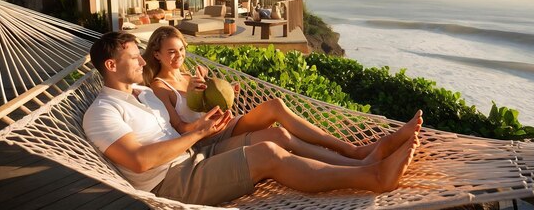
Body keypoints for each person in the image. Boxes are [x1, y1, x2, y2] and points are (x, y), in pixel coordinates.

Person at [83, 31, 421, 206]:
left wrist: (208, 109)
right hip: (170, 181)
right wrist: (198, 132)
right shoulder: (102, 112)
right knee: (269, 155)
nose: (142, 63)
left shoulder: (142, 94)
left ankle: (361, 157)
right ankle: (373, 176)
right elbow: (140, 162)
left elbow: (177, 127)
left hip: (192, 155)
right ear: (111, 66)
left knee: (274, 137)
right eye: (134, 58)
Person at [143, 26, 423, 165]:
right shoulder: (160, 88)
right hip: (207, 140)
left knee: (275, 104)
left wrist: (226, 94)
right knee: (281, 136)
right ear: (157, 54)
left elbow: (209, 103)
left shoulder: (194, 73)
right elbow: (181, 130)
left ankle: (354, 151)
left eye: (181, 50)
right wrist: (202, 115)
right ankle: (357, 161)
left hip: (226, 124)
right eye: (171, 52)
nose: (179, 56)